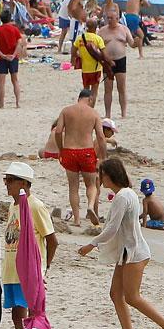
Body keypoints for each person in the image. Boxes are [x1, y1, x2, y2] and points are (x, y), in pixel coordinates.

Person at [81, 157, 164, 329]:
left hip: (135, 253)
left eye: (102, 176)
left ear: (109, 176)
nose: (100, 179)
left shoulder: (123, 197)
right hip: (128, 252)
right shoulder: (127, 194)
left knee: (132, 296)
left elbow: (112, 228)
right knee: (116, 294)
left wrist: (91, 244)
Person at [0, 162, 54, 329]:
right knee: (17, 316)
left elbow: (51, 239)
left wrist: (43, 268)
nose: (7, 185)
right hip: (12, 270)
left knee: (35, 314)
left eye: (10, 180)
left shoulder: (35, 206)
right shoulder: (14, 206)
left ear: (23, 183)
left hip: (29, 271)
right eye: (6, 180)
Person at [50, 86, 104, 225]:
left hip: (69, 150)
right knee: (91, 185)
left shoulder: (66, 111)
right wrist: (103, 156)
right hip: (86, 151)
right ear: (90, 99)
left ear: (79, 98)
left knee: (73, 187)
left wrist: (61, 149)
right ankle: (90, 206)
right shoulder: (94, 113)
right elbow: (100, 137)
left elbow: (58, 131)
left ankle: (77, 219)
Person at [0, 12, 23, 107]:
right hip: (13, 58)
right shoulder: (15, 30)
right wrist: (13, 54)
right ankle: (17, 103)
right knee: (15, 80)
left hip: (1, 58)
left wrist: (2, 55)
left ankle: (2, 104)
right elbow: (19, 43)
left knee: (1, 82)